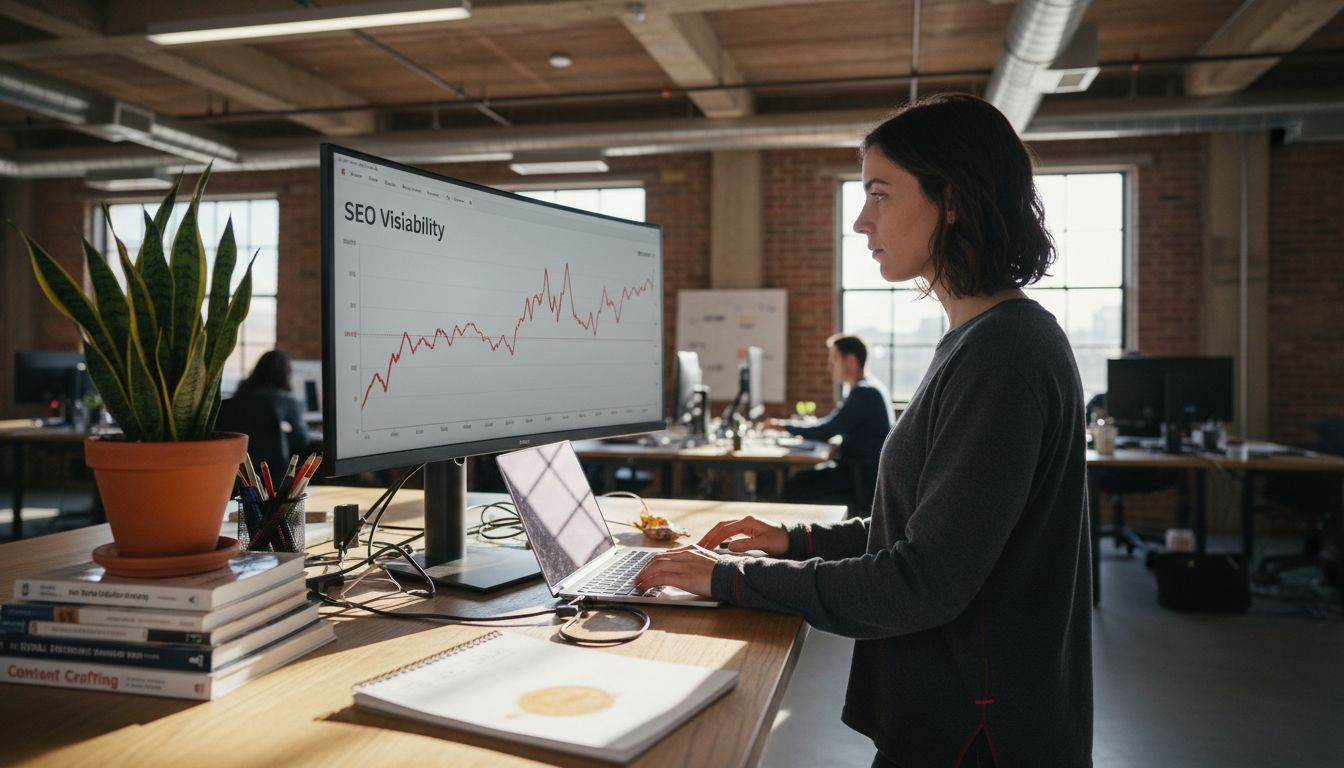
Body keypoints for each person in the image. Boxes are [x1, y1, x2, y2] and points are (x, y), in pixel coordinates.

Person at [636, 93, 1091, 767]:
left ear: (954, 200)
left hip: (978, 737)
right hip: (959, 716)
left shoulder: (1005, 354)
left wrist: (731, 577)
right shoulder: (977, 340)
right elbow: (931, 529)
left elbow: (921, 581)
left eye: (879, 194)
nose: (859, 220)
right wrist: (793, 540)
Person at [769, 334, 893, 508]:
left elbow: (827, 430)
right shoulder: (866, 387)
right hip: (860, 472)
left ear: (850, 360)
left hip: (859, 476)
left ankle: (799, 534)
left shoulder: (864, 392)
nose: (829, 367)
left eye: (833, 359)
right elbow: (833, 424)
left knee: (793, 486)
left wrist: (785, 427)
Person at [220, 349, 312, 476]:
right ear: (286, 374)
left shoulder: (239, 397)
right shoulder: (284, 401)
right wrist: (279, 436)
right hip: (272, 474)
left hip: (235, 473)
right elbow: (302, 438)